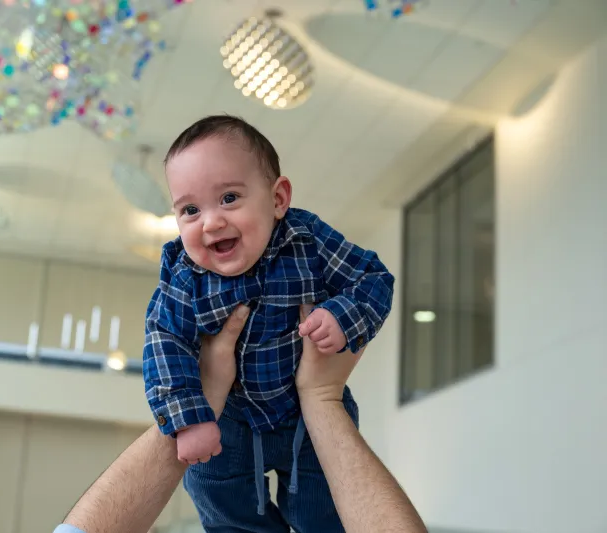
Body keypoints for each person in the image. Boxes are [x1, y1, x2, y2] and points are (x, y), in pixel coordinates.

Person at [142, 115, 395, 531]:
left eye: (228, 198)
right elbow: (163, 344)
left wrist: (342, 314)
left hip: (304, 417)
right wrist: (190, 418)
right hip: (227, 414)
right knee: (210, 486)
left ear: (278, 199)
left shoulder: (306, 240)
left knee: (326, 503)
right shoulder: (185, 278)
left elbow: (372, 278)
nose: (210, 221)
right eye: (190, 209)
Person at [53, 304, 426, 533]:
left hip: (237, 405)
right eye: (191, 210)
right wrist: (323, 396)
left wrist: (196, 402)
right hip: (260, 409)